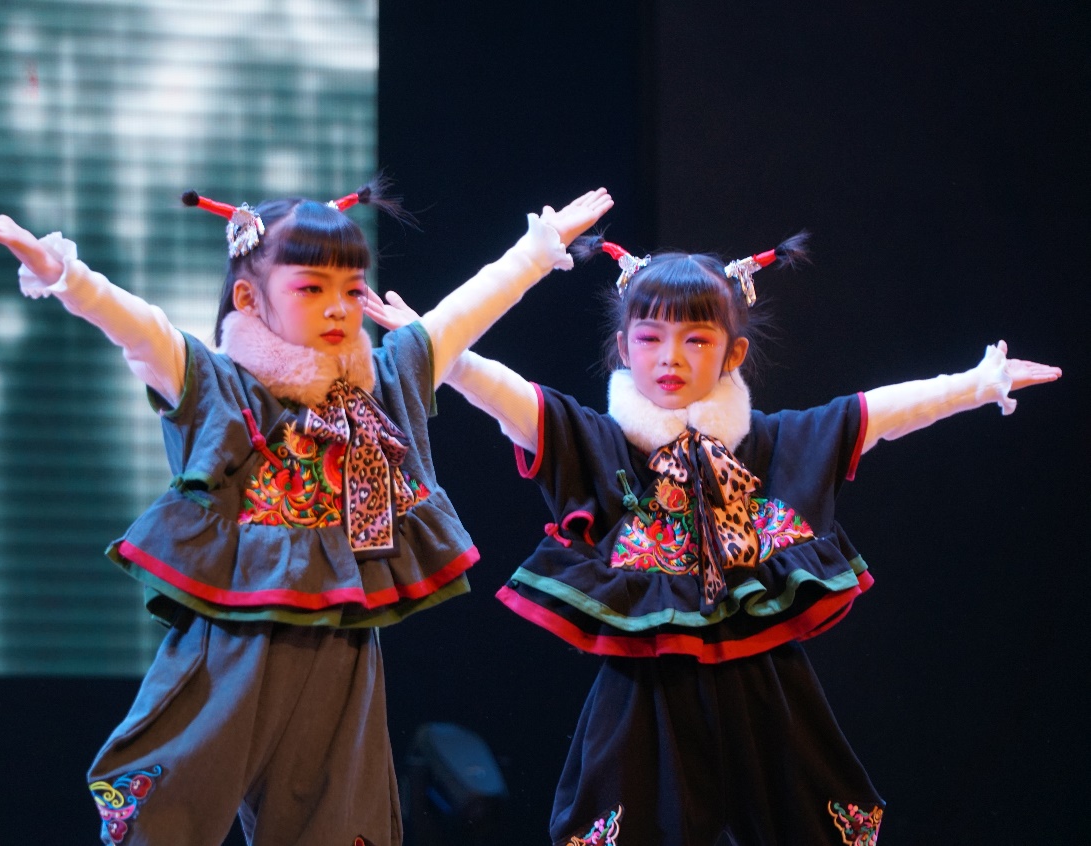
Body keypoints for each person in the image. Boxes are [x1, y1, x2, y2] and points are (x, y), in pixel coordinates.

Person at [0, 180, 612, 846]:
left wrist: (535, 252)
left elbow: (457, 316)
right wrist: (64, 275)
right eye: (311, 288)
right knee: (169, 810)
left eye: (351, 289)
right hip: (234, 640)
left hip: (341, 643)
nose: (338, 308)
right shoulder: (218, 385)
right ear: (247, 298)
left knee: (337, 821)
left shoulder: (381, 385)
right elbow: (142, 330)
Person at [366, 231, 1060, 846]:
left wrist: (977, 384)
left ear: (733, 353)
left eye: (696, 339)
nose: (670, 357)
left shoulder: (772, 445)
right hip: (646, 690)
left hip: (765, 689)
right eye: (650, 338)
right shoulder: (599, 442)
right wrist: (436, 350)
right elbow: (508, 395)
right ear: (623, 347)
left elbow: (875, 413)